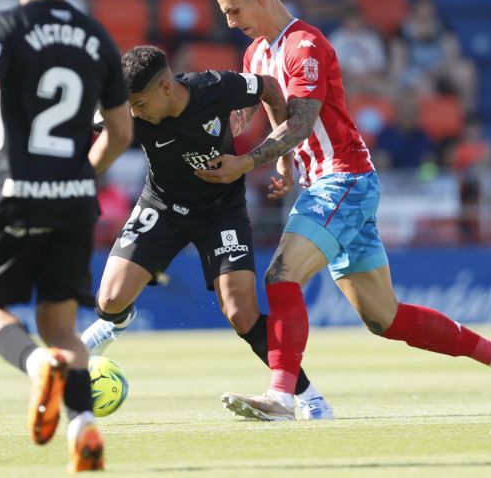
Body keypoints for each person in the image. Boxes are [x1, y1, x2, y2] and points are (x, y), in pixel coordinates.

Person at [197, 0, 491, 421]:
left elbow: (299, 121)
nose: (229, 22)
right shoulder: (256, 53)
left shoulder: (306, 44)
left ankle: (281, 395)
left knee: (281, 276)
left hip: (345, 179)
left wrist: (246, 161)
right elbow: (276, 111)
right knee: (385, 319)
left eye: (234, 11)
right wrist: (277, 157)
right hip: (324, 185)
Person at [0, 0, 132, 472]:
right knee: (62, 327)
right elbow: (120, 133)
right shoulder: (98, 36)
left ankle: (34, 368)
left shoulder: (2, 25)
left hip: (12, 191)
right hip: (73, 199)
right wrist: (82, 175)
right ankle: (84, 427)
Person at [80, 45, 334, 420]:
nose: (135, 114)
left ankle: (309, 397)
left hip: (221, 212)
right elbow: (86, 127)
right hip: (161, 206)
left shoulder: (215, 87)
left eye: (140, 104)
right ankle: (116, 322)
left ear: (166, 88)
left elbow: (269, 88)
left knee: (241, 313)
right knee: (110, 300)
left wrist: (281, 156)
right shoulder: (126, 109)